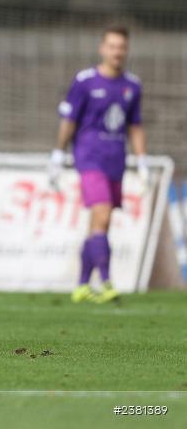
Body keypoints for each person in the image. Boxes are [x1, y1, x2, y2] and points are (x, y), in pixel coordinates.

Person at [48, 26, 146, 304]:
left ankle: (81, 286)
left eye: (121, 47)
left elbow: (135, 126)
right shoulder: (85, 81)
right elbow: (70, 120)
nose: (117, 52)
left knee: (99, 224)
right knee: (101, 213)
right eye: (112, 46)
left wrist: (141, 160)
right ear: (102, 48)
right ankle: (106, 282)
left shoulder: (133, 86)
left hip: (116, 160)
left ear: (126, 50)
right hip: (89, 157)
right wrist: (58, 153)